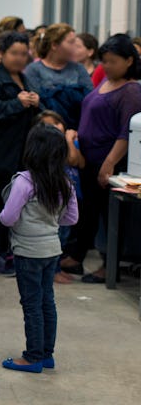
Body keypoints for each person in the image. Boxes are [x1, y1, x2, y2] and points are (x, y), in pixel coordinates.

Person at [60, 34, 141, 283]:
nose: (106, 65)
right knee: (88, 212)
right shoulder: (106, 81)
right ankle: (76, 256)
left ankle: (110, 265)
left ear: (129, 61)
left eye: (112, 61)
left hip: (110, 162)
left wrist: (108, 164)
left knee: (109, 216)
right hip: (88, 159)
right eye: (104, 60)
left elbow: (125, 132)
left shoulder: (131, 91)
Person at [0, 124, 79, 373]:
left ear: (31, 150)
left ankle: (32, 357)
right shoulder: (65, 182)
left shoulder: (25, 182)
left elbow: (8, 217)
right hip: (52, 249)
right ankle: (46, 354)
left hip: (27, 251)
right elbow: (71, 218)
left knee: (32, 304)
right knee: (47, 302)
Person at [0, 32, 41, 276]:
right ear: (1, 54)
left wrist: (35, 102)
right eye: (14, 53)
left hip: (21, 154)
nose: (20, 58)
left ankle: (9, 250)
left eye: (24, 53)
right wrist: (17, 103)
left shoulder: (24, 78)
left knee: (16, 205)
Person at [34, 110, 85, 285]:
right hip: (57, 199)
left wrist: (70, 141)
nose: (56, 128)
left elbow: (80, 162)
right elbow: (71, 159)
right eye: (50, 126)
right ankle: (53, 271)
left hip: (72, 196)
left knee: (65, 235)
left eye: (57, 123)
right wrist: (69, 140)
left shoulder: (68, 142)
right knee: (58, 235)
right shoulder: (52, 147)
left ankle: (56, 268)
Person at [24, 23, 92, 129]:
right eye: (71, 42)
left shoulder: (79, 69)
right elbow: (36, 105)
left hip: (77, 129)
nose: (75, 47)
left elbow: (89, 100)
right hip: (46, 130)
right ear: (54, 45)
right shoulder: (34, 70)